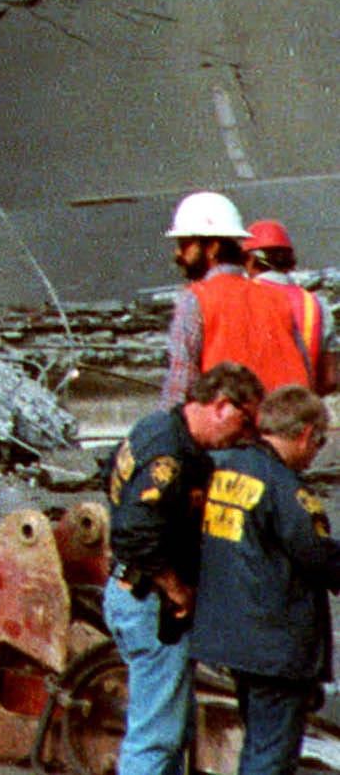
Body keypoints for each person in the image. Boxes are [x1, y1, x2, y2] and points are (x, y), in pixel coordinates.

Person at [104, 361, 264, 775]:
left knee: (172, 728)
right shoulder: (168, 455)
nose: (245, 438)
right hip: (150, 605)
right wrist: (176, 588)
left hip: (129, 594)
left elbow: (108, 475)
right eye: (245, 424)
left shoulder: (156, 427)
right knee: (155, 736)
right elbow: (135, 534)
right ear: (222, 406)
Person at [191, 385, 340, 775]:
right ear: (306, 434)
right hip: (275, 645)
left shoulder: (218, 466)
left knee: (257, 742)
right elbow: (319, 556)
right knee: (271, 755)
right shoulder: (285, 488)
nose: (312, 458)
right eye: (317, 445)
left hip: (230, 636)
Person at [165, 190, 318, 408]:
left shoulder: (195, 299)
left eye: (185, 244)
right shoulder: (276, 299)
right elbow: (304, 373)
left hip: (230, 432)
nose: (178, 254)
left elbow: (178, 387)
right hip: (282, 430)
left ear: (212, 248)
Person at [246, 219, 336, 394]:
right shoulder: (315, 304)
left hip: (253, 409)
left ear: (249, 259)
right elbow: (330, 378)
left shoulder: (242, 298)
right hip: (301, 409)